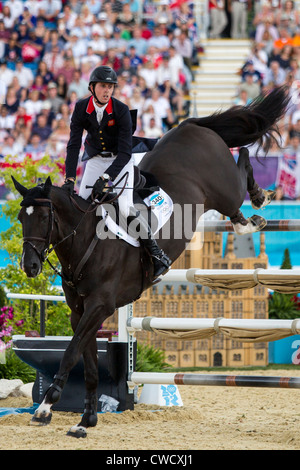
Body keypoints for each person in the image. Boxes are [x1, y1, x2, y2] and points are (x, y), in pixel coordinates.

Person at [62, 65, 171, 277]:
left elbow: (124, 153)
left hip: (121, 161)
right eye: (103, 86)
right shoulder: (81, 108)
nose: (107, 91)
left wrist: (107, 178)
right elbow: (74, 145)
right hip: (94, 159)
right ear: (92, 87)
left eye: (111, 87)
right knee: (82, 205)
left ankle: (157, 255)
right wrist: (69, 178)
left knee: (124, 208)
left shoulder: (121, 110)